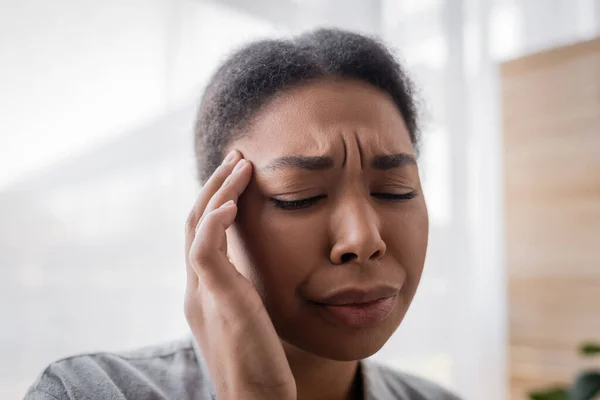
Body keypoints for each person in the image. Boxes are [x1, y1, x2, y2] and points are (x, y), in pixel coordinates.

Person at [25, 28, 461, 400]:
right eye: (299, 196)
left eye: (395, 191)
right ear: (214, 219)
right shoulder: (87, 391)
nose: (363, 240)